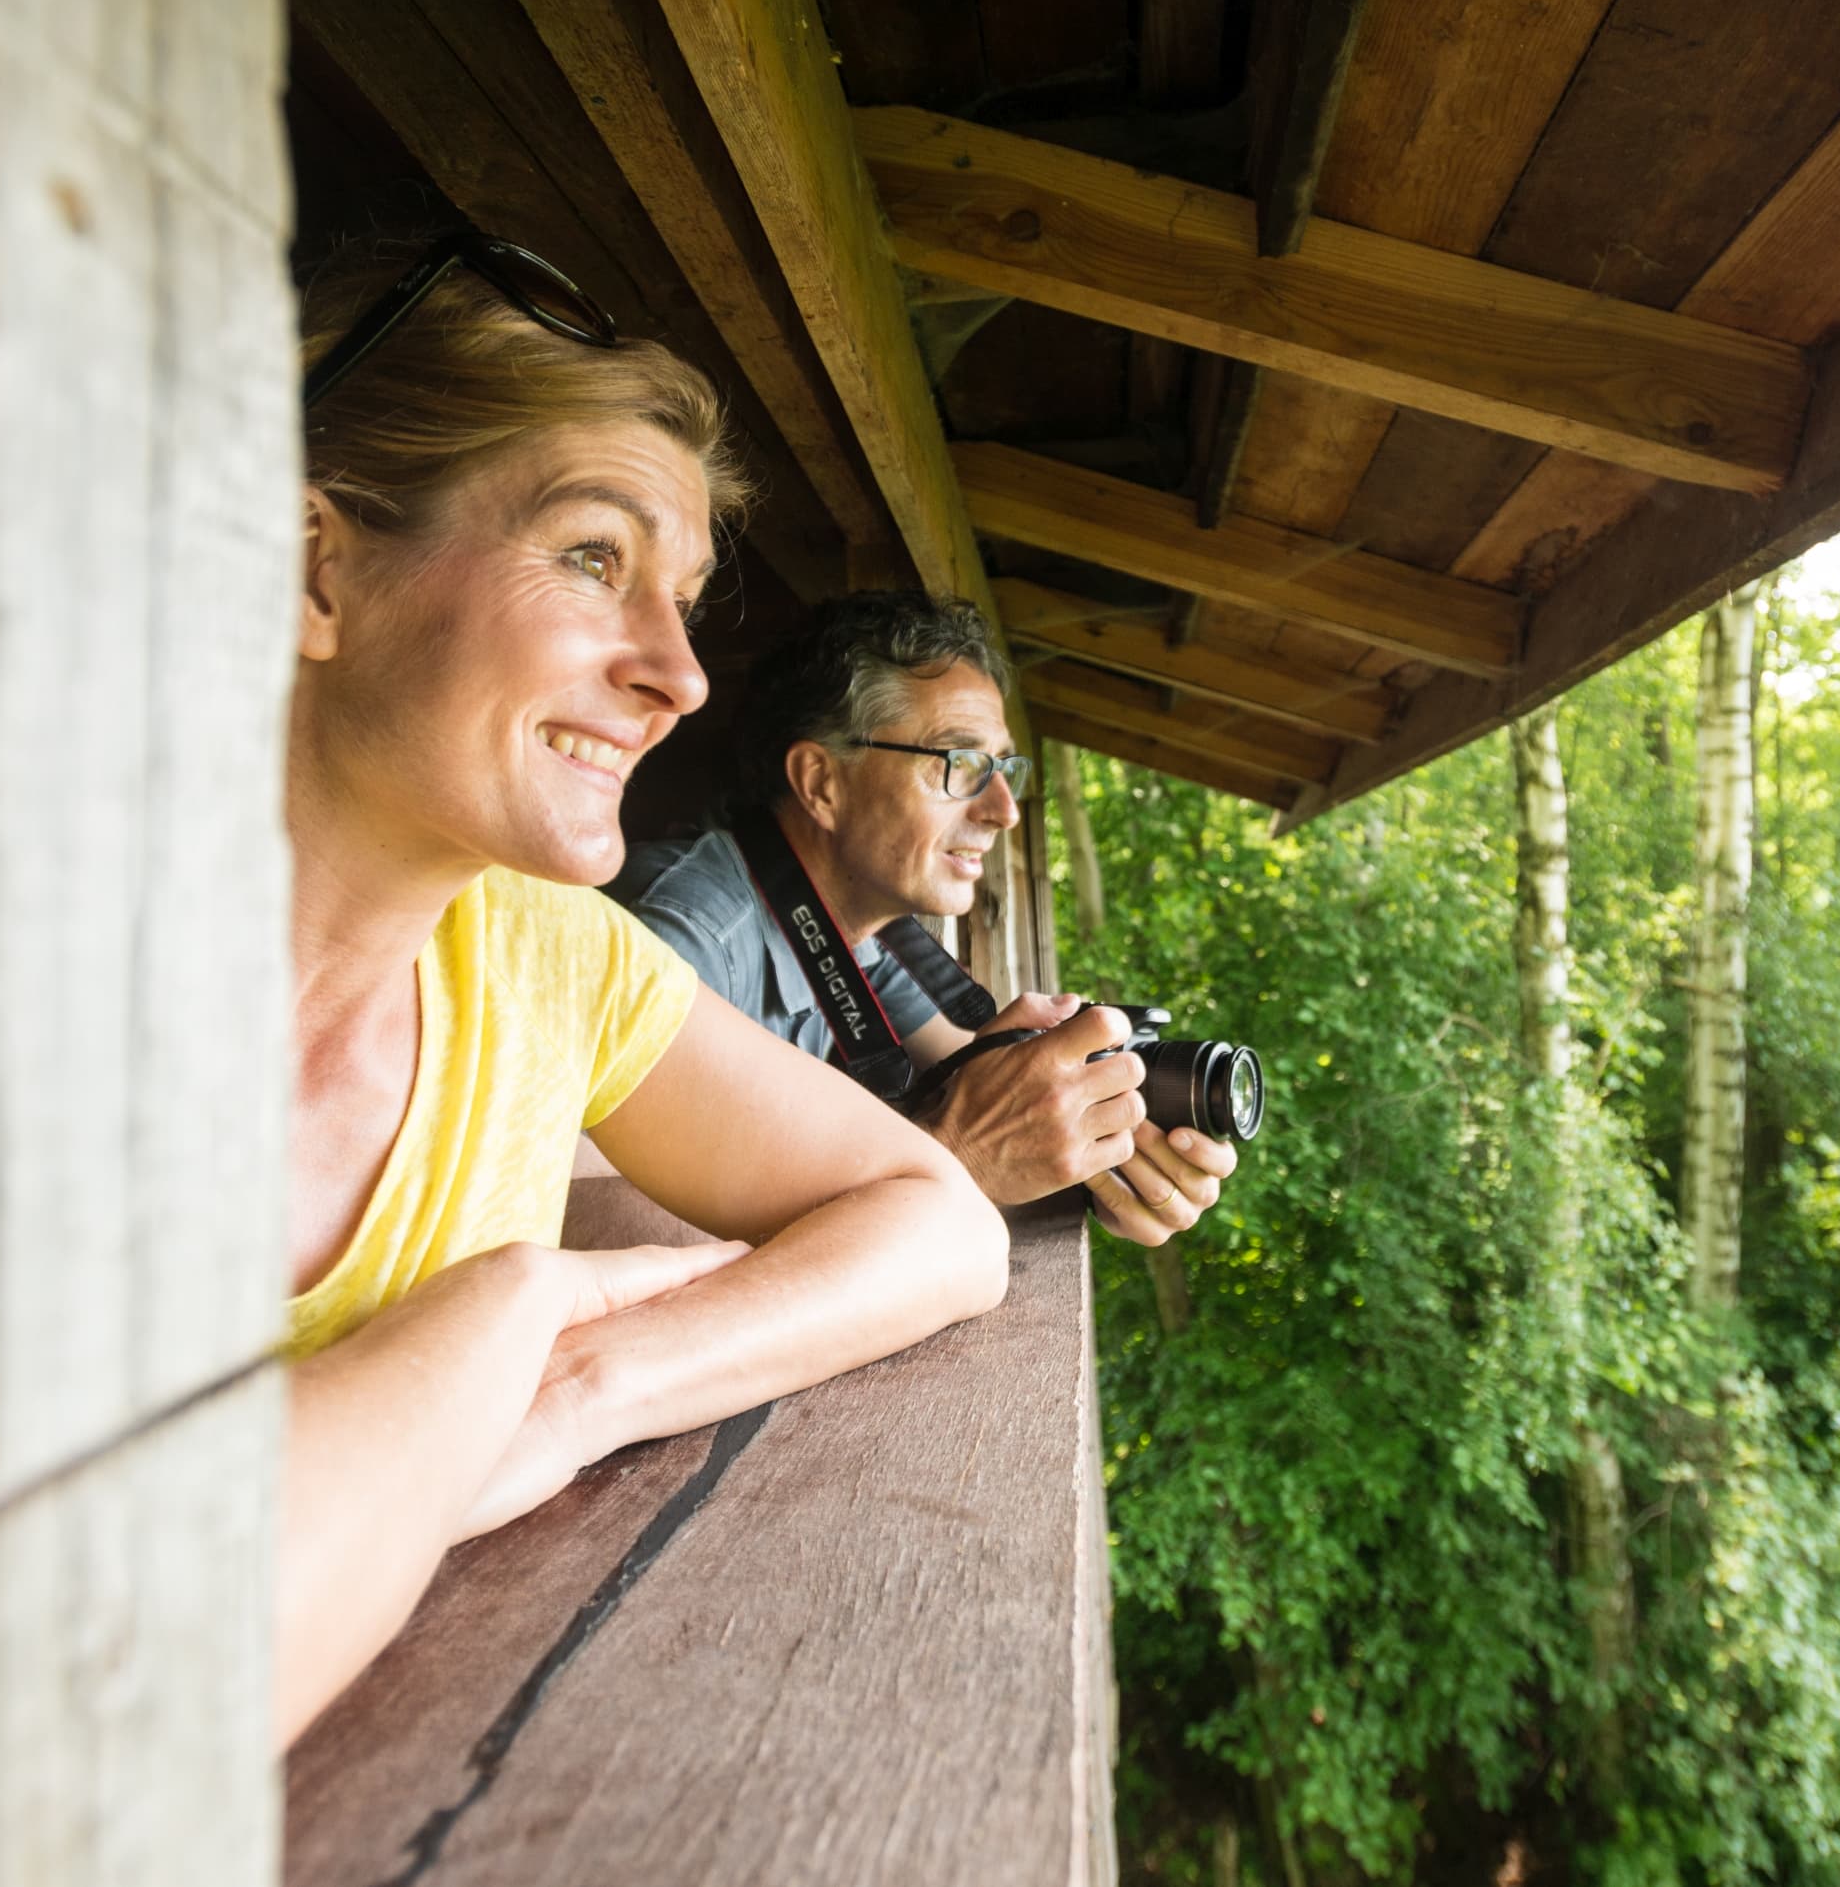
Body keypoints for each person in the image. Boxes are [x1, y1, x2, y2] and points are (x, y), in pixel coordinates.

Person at [275, 235, 1005, 1745]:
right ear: (315, 567)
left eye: (679, 596)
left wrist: (578, 1384)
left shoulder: (548, 953)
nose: (681, 674)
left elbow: (941, 1225)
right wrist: (507, 1312)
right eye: (594, 556)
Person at [599, 594, 1234, 1246]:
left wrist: (1113, 1151)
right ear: (822, 783)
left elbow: (972, 1079)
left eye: (1004, 768)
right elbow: (600, 1226)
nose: (1003, 810)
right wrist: (958, 1162)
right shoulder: (682, 939)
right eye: (960, 764)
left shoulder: (855, 937)